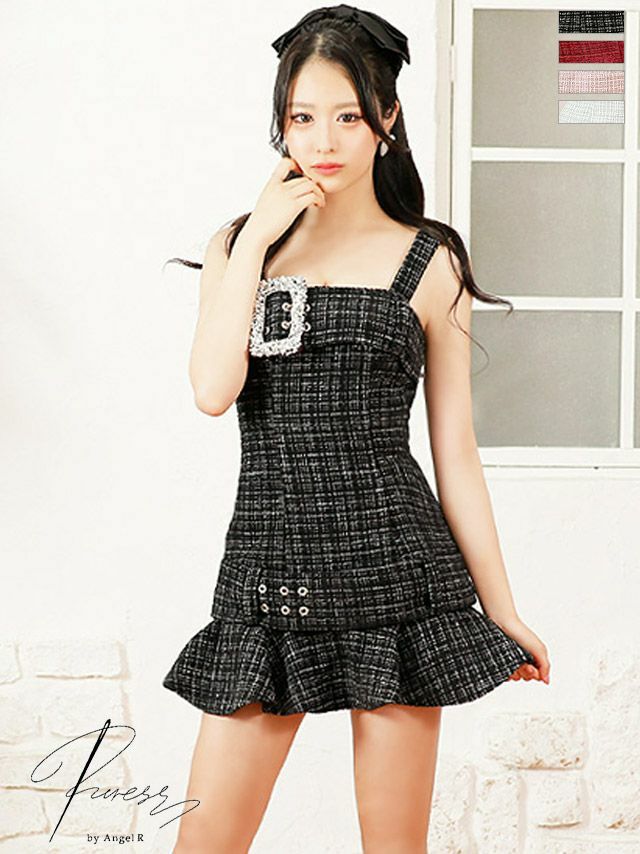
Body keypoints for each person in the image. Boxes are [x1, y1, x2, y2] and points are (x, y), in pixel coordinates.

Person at [162, 5, 551, 852]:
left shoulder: (431, 260)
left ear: (388, 118)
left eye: (347, 116)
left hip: (401, 582)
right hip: (269, 581)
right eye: (302, 117)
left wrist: (503, 608)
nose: (324, 141)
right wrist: (257, 241)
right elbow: (212, 390)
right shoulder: (240, 246)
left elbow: (455, 453)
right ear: (281, 125)